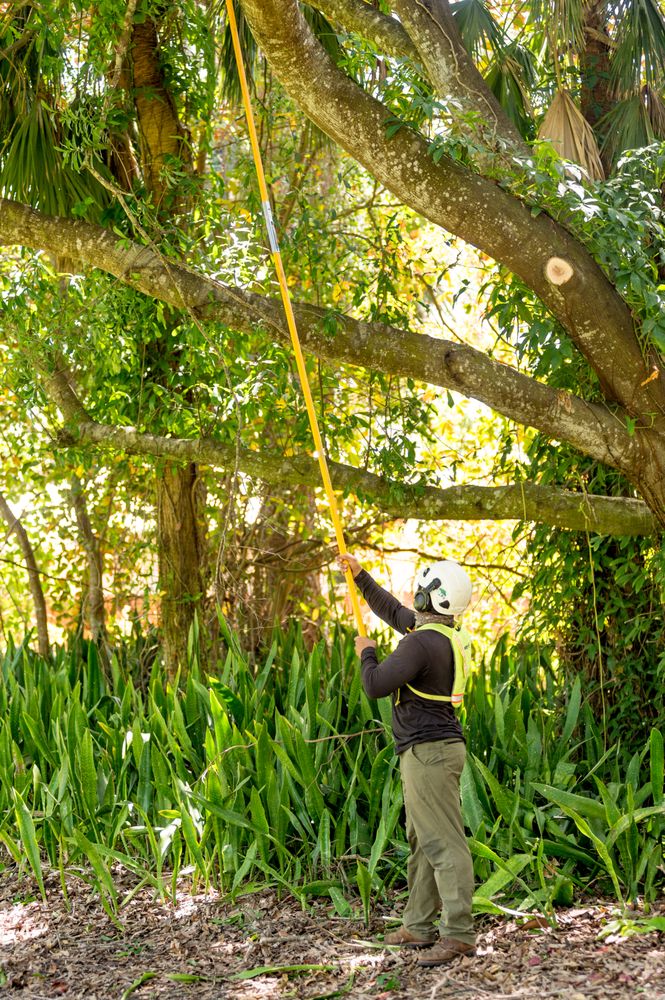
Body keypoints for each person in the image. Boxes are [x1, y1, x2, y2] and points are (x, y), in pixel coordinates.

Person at [337, 551, 476, 968]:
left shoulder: (421, 644)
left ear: (433, 596)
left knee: (442, 842)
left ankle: (459, 934)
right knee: (422, 839)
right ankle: (418, 925)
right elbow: (393, 611)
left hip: (429, 753)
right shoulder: (440, 637)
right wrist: (360, 577)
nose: (414, 594)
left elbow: (376, 685)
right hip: (433, 749)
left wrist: (367, 652)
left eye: (422, 587)